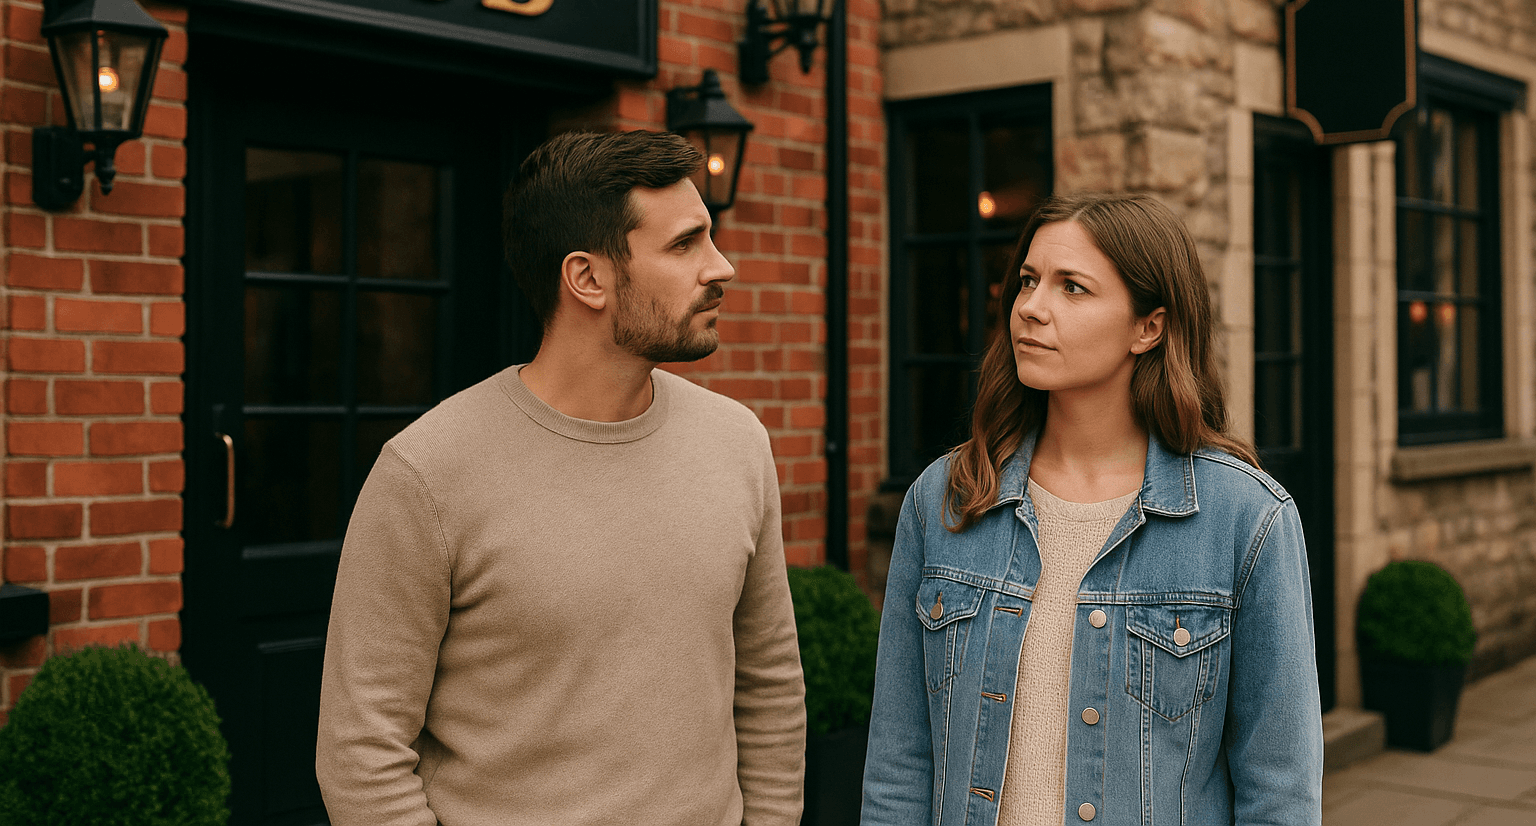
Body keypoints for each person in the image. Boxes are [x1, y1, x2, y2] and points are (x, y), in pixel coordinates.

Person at [317, 130, 806, 826]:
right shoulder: (427, 473)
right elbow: (361, 751)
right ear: (587, 278)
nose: (720, 266)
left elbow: (770, 686)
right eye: (684, 245)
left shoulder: (738, 443)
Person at [861, 193, 1323, 826]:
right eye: (1028, 280)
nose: (1031, 307)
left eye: (1072, 287)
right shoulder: (948, 497)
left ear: (1148, 328)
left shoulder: (1246, 519)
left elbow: (1281, 790)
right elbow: (898, 763)